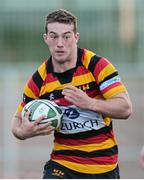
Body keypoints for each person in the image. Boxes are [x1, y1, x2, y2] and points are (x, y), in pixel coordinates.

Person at [11, 9, 132, 179]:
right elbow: (17, 120)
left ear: (76, 37)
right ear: (46, 39)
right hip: (62, 164)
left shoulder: (97, 66)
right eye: (53, 36)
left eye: (66, 36)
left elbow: (125, 108)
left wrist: (90, 103)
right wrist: (23, 132)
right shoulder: (39, 79)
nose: (60, 43)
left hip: (103, 166)